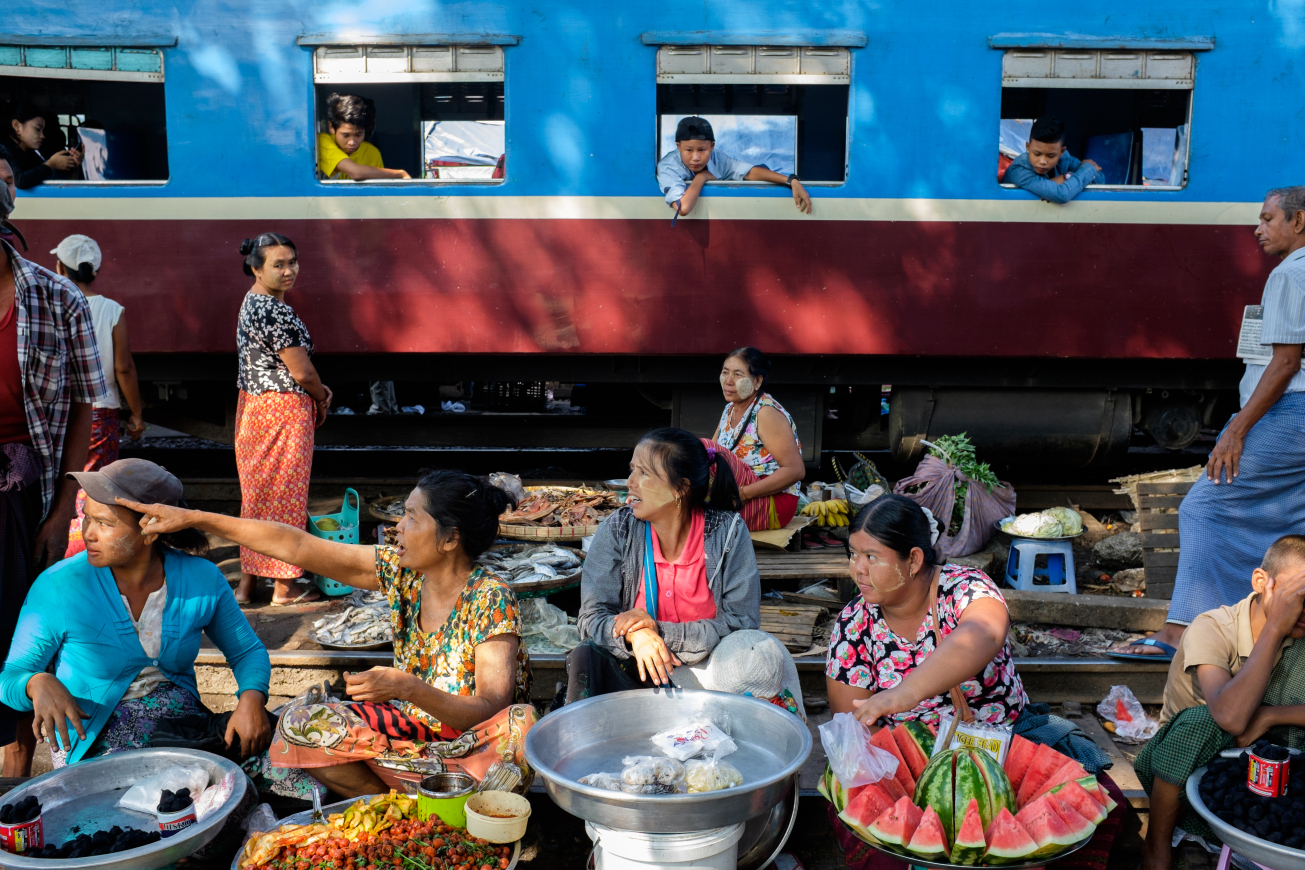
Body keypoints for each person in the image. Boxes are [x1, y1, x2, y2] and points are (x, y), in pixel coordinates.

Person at [122, 469, 536, 798]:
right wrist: (196, 519)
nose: (398, 527)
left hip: (473, 748)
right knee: (297, 721)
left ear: (450, 539)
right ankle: (392, 805)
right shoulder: (404, 574)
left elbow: (490, 710)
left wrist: (408, 688)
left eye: (412, 517)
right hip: (414, 735)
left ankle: (432, 791)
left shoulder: (490, 598)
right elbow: (297, 546)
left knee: (521, 727)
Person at [1126, 186, 1305, 658]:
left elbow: (1286, 364)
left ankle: (1184, 633)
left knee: (1204, 507)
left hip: (1291, 414)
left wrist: (1235, 429)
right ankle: (1260, 626)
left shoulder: (1291, 274)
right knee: (1288, 517)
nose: (1258, 228)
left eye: (1268, 219)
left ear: (1299, 222)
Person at [0, 459, 273, 767]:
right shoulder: (58, 586)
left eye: (105, 523)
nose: (88, 533)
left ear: (152, 529)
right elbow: (9, 678)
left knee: (289, 773)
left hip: (183, 731)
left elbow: (247, 651)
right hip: (92, 741)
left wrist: (252, 699)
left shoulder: (202, 579)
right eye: (86, 519)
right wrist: (35, 683)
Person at [0, 154, 105, 777]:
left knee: (16, 627)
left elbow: (85, 404)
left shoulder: (57, 298)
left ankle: (13, 780)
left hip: (19, 490)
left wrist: (63, 507)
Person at [1137, 535, 1305, 870]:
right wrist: (1274, 628)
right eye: (1297, 596)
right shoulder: (1212, 627)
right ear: (1262, 582)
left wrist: (1271, 716)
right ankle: (1157, 846)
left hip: (1271, 763)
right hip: (1191, 770)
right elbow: (1229, 718)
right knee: (1204, 720)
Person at [567, 427, 761, 702]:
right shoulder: (618, 529)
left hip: (712, 678)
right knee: (585, 653)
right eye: (632, 469)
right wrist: (635, 637)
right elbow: (591, 619)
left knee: (763, 652)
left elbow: (743, 623)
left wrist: (656, 631)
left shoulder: (727, 533)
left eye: (644, 473)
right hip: (640, 672)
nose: (630, 482)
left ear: (679, 488)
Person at [826, 494, 1028, 730]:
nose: (858, 569)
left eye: (871, 557)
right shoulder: (854, 622)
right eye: (853, 554)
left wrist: (908, 692)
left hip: (1000, 749)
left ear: (913, 560)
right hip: (900, 760)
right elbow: (855, 729)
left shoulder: (965, 588)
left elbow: (985, 633)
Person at [233, 233, 331, 605]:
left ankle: (246, 586)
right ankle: (285, 589)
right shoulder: (275, 311)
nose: (288, 270)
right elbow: (303, 373)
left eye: (292, 262)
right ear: (256, 268)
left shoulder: (253, 302)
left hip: (255, 407)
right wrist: (322, 398)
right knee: (285, 495)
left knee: (257, 497)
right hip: (282, 410)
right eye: (278, 264)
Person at [50, 234, 146, 558]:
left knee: (64, 479)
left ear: (61, 268)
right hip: (101, 411)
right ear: (96, 270)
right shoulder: (111, 310)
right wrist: (137, 414)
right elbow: (124, 368)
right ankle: (91, 544)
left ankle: (64, 545)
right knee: (97, 484)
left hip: (61, 411)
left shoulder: (54, 305)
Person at [704, 347, 805, 533]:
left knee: (704, 448)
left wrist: (742, 493)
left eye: (737, 374)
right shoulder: (729, 410)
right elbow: (710, 460)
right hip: (740, 493)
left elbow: (796, 471)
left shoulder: (765, 412)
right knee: (698, 456)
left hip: (773, 503)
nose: (728, 381)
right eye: (725, 372)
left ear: (757, 381)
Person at [656, 116, 812, 217]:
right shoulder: (668, 167)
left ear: (712, 146)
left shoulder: (718, 157)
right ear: (678, 146)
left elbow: (749, 172)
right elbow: (682, 208)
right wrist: (702, 177)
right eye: (689, 150)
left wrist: (791, 181)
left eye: (702, 150)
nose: (696, 157)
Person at [1002, 116, 1104, 204]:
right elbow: (1062, 194)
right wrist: (1084, 171)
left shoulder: (1064, 159)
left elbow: (1100, 179)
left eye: (1050, 156)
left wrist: (1068, 176)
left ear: (1061, 152)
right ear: (1027, 147)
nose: (1043, 161)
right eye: (1037, 154)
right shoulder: (1019, 170)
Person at [316, 93, 411, 181]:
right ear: (331, 127)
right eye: (346, 135)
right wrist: (400, 174)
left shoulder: (372, 152)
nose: (352, 142)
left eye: (358, 134)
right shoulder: (321, 142)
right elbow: (356, 173)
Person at [6, 103, 81, 189]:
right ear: (17, 126)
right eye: (37, 129)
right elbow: (20, 181)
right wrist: (51, 164)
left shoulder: (31, 154)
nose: (42, 136)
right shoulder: (4, 151)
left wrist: (74, 168)